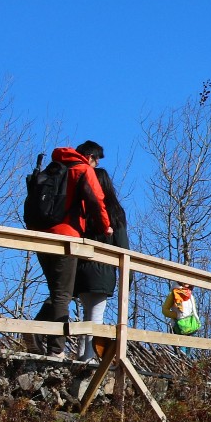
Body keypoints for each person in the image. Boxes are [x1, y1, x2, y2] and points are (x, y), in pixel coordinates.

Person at [23, 141, 114, 357]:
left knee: (57, 291)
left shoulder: (53, 168)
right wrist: (105, 227)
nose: (96, 164)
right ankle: (56, 349)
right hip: (66, 238)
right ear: (90, 156)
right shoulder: (82, 169)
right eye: (96, 160)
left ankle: (34, 332)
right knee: (63, 294)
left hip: (41, 235)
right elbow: (96, 200)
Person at [70, 145, 129, 361]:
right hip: (102, 272)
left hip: (81, 269)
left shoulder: (83, 209)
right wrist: (127, 279)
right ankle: (88, 357)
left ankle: (82, 354)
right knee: (96, 316)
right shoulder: (114, 211)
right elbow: (122, 246)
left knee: (86, 313)